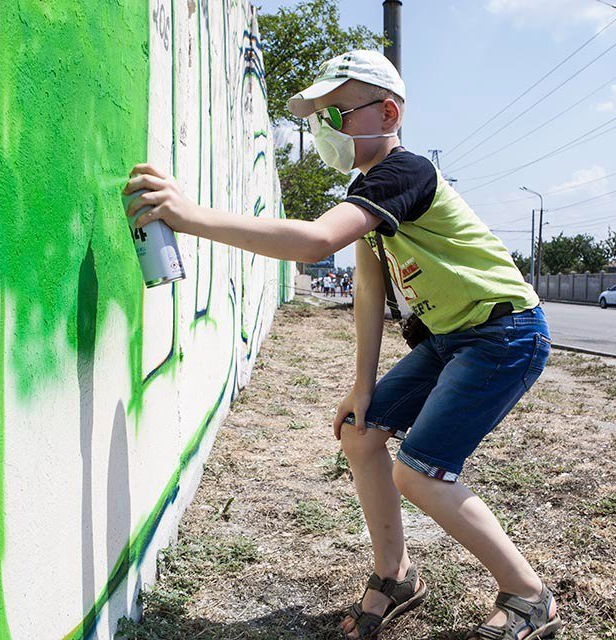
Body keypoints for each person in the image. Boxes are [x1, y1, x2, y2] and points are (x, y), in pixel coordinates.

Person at [123, 49, 561, 640]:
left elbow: (314, 243)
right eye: (317, 116)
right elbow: (368, 289)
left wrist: (189, 216)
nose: (322, 129)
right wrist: (362, 385)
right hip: (452, 339)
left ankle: (529, 596)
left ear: (387, 111)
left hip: (501, 333)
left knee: (420, 474)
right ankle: (395, 574)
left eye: (335, 113)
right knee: (360, 430)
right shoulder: (371, 191)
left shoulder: (405, 172)